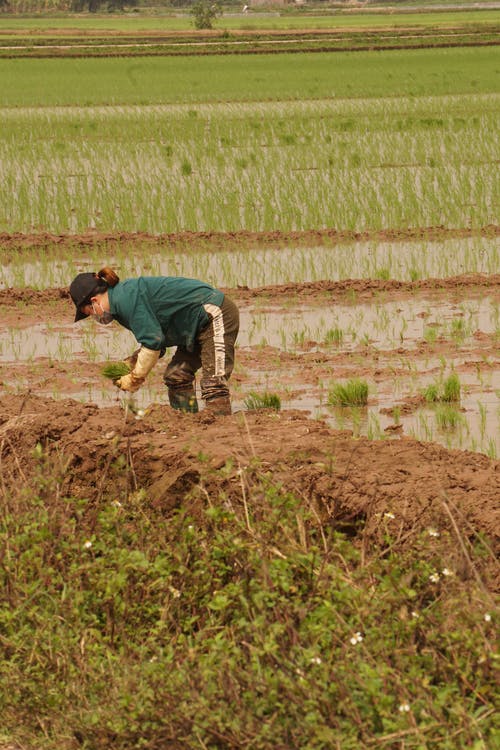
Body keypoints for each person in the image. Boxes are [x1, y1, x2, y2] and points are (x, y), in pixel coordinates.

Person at [69, 267, 239, 416]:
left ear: (94, 302)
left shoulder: (125, 300)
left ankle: (222, 434)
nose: (95, 317)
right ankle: (189, 425)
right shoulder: (120, 306)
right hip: (193, 326)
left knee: (214, 384)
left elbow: (153, 343)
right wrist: (130, 364)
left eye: (90, 312)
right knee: (176, 377)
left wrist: (135, 378)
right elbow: (158, 341)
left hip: (213, 314)